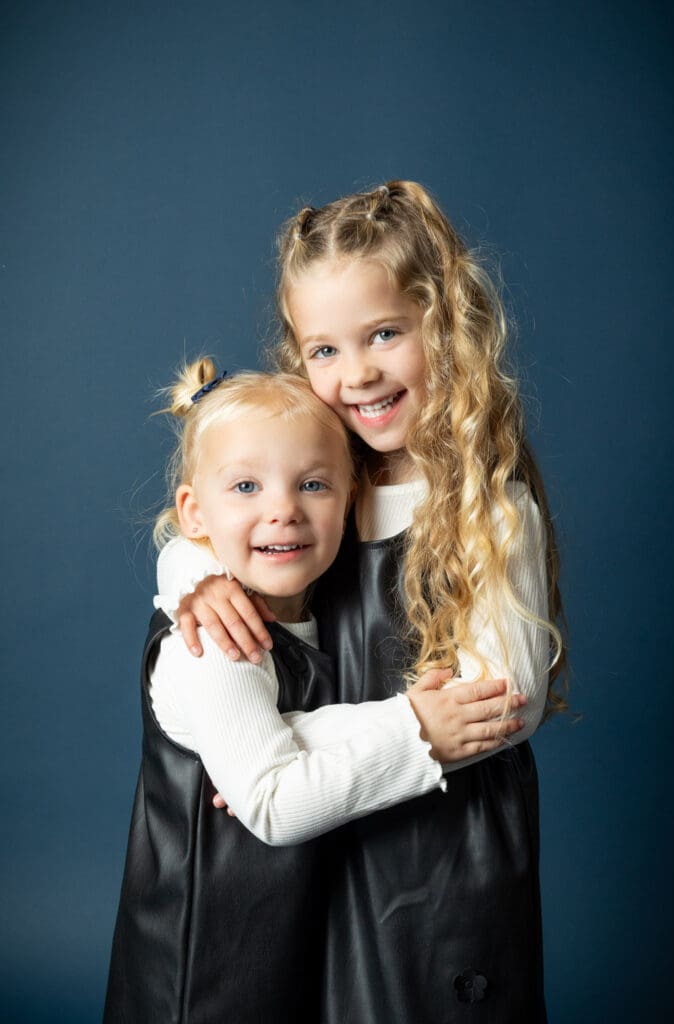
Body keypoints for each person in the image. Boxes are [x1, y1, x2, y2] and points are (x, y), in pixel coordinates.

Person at [159, 181, 567, 1023]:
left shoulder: (489, 509)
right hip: (326, 826)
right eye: (325, 351)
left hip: (439, 853)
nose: (359, 373)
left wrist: (280, 753)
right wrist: (189, 577)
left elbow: (492, 713)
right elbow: (206, 518)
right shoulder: (314, 477)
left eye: (385, 334)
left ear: (444, 329)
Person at [105, 364, 526, 1024]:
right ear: (193, 512)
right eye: (246, 486)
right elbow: (273, 801)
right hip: (202, 964)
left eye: (312, 484)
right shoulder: (214, 640)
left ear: (351, 497)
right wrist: (414, 727)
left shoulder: (312, 604)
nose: (282, 509)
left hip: (286, 943)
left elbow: (297, 738)